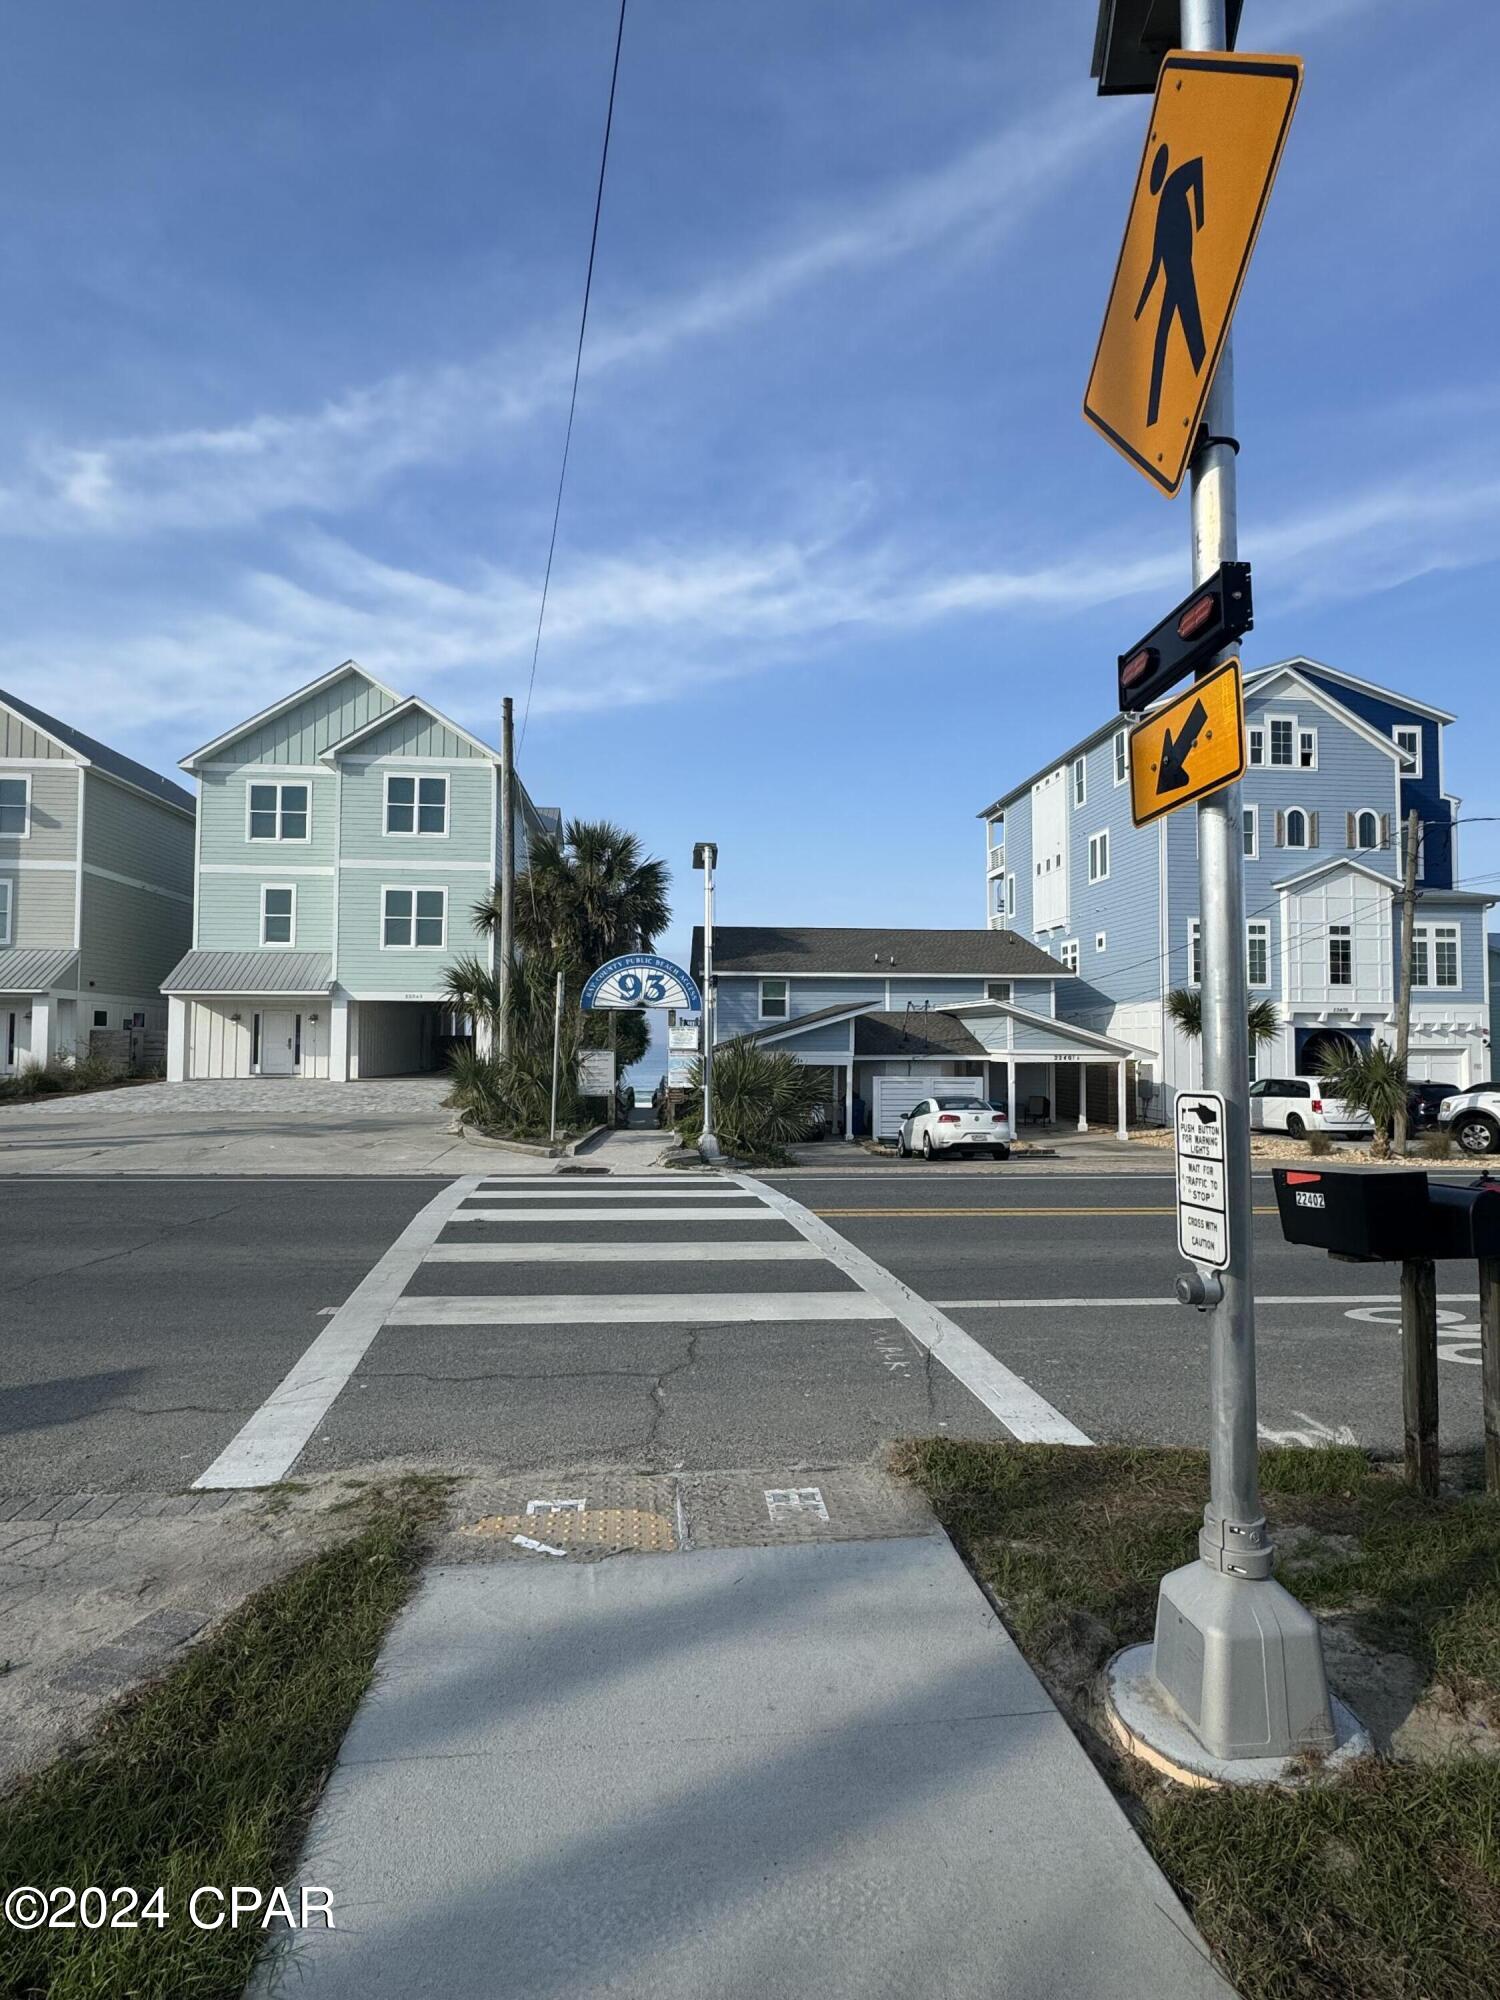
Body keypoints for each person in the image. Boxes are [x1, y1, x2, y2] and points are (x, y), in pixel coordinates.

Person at [1133, 142, 1206, 428]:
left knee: (1191, 334)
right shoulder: (1163, 206)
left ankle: (1158, 412)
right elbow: (1154, 264)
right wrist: (1138, 310)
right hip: (1174, 273)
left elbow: (1198, 166)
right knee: (1165, 335)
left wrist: (1201, 219)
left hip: (1184, 271)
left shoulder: (1174, 183)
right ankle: (1153, 415)